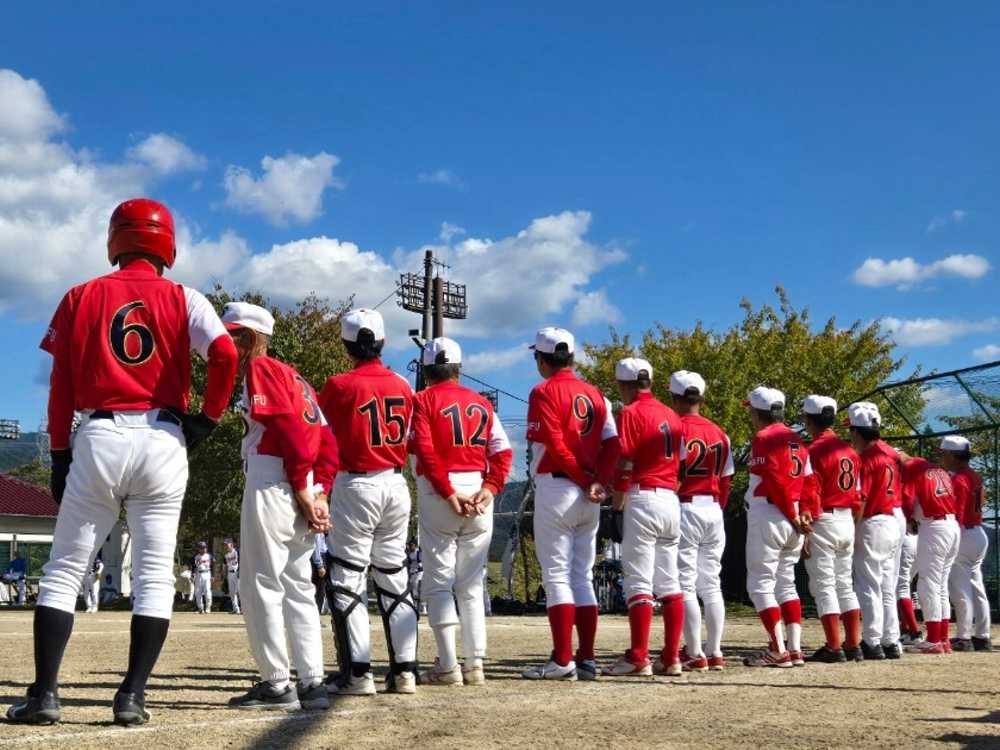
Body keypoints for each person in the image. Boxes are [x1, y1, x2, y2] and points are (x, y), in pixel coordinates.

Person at [8, 198, 238, 726]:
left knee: (65, 569)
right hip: (163, 437)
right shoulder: (186, 297)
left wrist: (60, 455)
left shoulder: (80, 295)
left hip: (101, 432)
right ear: (168, 246)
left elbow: (60, 385)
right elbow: (225, 354)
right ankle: (131, 697)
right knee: (154, 573)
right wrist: (208, 417)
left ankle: (45, 695)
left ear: (115, 241)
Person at [222, 302, 335, 711]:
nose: (224, 344)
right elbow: (328, 441)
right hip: (298, 479)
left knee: (261, 584)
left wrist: (305, 488)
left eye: (231, 336)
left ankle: (276, 683)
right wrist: (319, 491)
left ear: (250, 338)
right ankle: (313, 682)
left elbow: (289, 430)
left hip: (274, 478)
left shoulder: (261, 367)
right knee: (298, 585)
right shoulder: (298, 377)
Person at [318, 308, 418, 696]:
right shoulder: (402, 385)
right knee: (394, 576)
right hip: (395, 482)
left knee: (347, 577)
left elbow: (319, 433)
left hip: (357, 482)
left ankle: (359, 673)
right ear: (382, 342)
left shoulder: (339, 385)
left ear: (347, 345)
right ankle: (405, 671)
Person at [410, 337, 513, 686]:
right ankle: (475, 663)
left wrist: (447, 491)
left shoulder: (422, 400)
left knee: (439, 580)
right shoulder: (481, 402)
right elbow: (503, 451)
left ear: (426, 370)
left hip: (441, 490)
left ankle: (448, 665)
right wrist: (491, 487)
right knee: (471, 582)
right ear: (458, 368)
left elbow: (425, 451)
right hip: (477, 488)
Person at [522, 326, 619, 682]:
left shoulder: (543, 391)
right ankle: (587, 658)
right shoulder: (596, 393)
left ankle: (563, 660)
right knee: (582, 576)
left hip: (559, 487)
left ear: (543, 359)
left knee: (557, 576)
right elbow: (613, 444)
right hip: (589, 493)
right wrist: (599, 481)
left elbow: (555, 444)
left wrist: (584, 480)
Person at [604, 358, 685, 678]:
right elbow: (682, 464)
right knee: (670, 582)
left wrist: (618, 503)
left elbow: (625, 462)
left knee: (638, 582)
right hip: (670, 498)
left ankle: (639, 656)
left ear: (623, 385)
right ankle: (672, 656)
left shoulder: (630, 412)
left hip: (643, 496)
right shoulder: (671, 414)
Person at [742, 387, 810, 668]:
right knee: (786, 584)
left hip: (771, 512)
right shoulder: (797, 439)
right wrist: (804, 513)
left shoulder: (764, 437)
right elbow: (811, 481)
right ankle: (794, 649)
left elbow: (772, 478)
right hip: (793, 514)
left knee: (760, 584)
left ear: (758, 412)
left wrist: (792, 514)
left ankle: (779, 650)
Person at [671, 370, 733, 672]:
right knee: (711, 583)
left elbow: (674, 473)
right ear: (702, 398)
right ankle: (715, 650)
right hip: (714, 508)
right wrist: (718, 507)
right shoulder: (720, 432)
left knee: (685, 582)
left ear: (674, 398)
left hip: (686, 506)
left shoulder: (675, 428)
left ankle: (695, 652)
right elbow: (727, 480)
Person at [799, 396, 861, 663]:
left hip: (824, 518)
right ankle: (853, 644)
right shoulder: (850, 451)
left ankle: (834, 647)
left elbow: (811, 491)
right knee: (845, 584)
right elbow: (858, 496)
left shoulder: (814, 450)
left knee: (824, 585)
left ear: (809, 419)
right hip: (847, 519)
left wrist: (807, 528)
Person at [845, 402, 903, 660]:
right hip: (892, 521)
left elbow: (862, 499)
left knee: (868, 584)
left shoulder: (867, 458)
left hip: (873, 521)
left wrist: (853, 528)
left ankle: (872, 642)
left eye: (851, 431)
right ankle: (891, 641)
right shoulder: (888, 454)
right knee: (887, 586)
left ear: (856, 432)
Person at [901, 449, 960, 654]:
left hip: (934, 525)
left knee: (928, 584)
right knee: (940, 585)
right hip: (951, 525)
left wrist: (908, 518)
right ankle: (943, 639)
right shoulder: (937, 469)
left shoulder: (911, 468)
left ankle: (934, 639)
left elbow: (907, 498)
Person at [942, 436, 991, 651]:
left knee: (959, 588)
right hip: (978, 532)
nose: (942, 458)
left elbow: (958, 513)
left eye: (944, 454)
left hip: (964, 533)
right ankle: (982, 635)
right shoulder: (975, 476)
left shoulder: (958, 479)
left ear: (953, 455)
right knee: (976, 587)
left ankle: (964, 637)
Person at [896, 529, 922, 644]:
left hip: (905, 539)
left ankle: (914, 633)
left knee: (901, 588)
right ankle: (905, 630)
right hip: (918, 539)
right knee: (904, 587)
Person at [311, 533, 330, 615]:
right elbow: (316, 546)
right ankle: (314, 615)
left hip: (323, 556)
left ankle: (316, 615)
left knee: (321, 592)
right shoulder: (318, 532)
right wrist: (320, 565)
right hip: (319, 559)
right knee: (319, 591)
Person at [193, 542, 213, 614]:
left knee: (207, 591)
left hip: (207, 573)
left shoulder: (209, 556)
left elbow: (213, 565)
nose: (204, 549)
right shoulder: (196, 557)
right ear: (199, 549)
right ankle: (200, 608)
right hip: (198, 574)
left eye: (205, 547)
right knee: (198, 592)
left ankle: (208, 608)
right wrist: (193, 575)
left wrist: (213, 575)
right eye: (202, 547)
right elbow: (193, 567)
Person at [406, 539, 424, 615]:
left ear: (415, 545)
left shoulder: (419, 553)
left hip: (419, 573)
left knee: (417, 588)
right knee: (412, 589)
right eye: (409, 545)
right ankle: (414, 606)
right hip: (412, 573)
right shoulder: (409, 553)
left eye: (412, 545)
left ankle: (422, 607)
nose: (410, 547)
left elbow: (421, 564)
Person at [223, 538, 241, 615]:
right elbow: (225, 566)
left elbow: (241, 561)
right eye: (225, 544)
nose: (225, 546)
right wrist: (224, 576)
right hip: (230, 574)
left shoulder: (237, 552)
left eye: (227, 544)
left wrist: (240, 571)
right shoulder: (226, 555)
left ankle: (245, 609)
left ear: (231, 544)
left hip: (237, 573)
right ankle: (236, 609)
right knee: (232, 592)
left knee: (240, 591)